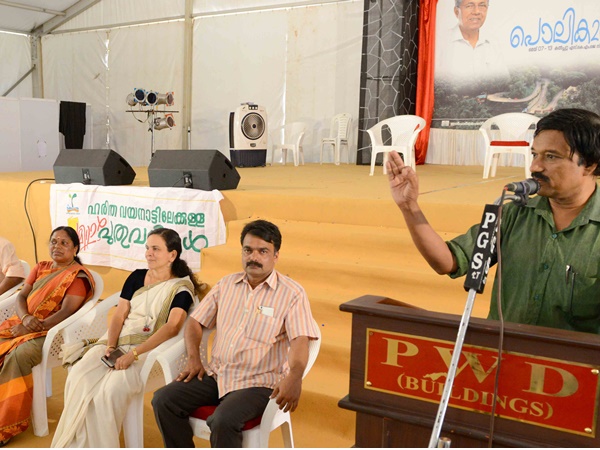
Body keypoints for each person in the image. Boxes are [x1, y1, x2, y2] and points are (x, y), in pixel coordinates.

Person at [387, 108, 600, 334]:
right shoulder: (512, 214)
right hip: (501, 351)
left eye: (551, 156)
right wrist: (409, 207)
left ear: (589, 164)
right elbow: (448, 261)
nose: (535, 167)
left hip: (574, 357)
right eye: (534, 155)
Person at [152, 219, 319, 448]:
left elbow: (300, 340)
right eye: (248, 250)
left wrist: (295, 376)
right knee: (163, 400)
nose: (254, 257)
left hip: (259, 383)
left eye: (263, 251)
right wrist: (194, 359)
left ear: (276, 256)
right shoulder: (226, 285)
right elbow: (195, 322)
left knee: (223, 419)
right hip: (218, 374)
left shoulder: (292, 293)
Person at [51, 227, 203, 448]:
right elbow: (119, 315)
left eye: (156, 249)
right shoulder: (137, 276)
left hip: (148, 349)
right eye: (148, 248)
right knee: (79, 375)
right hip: (116, 341)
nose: (149, 253)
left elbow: (172, 327)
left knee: (109, 392)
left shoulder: (180, 288)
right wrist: (111, 346)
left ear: (172, 255)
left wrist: (133, 354)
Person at [0, 226, 95, 445]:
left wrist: (31, 327)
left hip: (51, 333)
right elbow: (21, 296)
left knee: (19, 356)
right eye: (53, 241)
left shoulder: (77, 276)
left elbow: (66, 312)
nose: (57, 246)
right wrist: (25, 319)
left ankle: (6, 425)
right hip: (23, 324)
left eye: (64, 243)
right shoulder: (41, 267)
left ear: (75, 248)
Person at [435, 0, 509, 85]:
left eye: (482, 5)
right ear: (456, 12)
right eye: (469, 6)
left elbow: (504, 83)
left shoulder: (493, 43)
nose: (476, 11)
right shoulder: (440, 42)